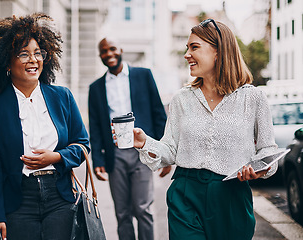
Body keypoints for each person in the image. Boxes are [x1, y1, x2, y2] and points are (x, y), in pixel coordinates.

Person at [132, 19, 279, 240]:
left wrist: (259, 169)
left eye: (194, 47)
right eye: (187, 48)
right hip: (185, 195)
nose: (187, 55)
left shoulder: (253, 98)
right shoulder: (182, 98)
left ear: (219, 51)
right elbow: (171, 150)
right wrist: (145, 143)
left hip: (232, 196)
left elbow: (268, 151)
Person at [0, 13, 89, 240]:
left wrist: (56, 157)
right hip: (17, 200)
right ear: (7, 60)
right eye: (23, 54)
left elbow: (83, 144)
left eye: (38, 53)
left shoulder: (62, 96)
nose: (33, 60)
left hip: (59, 197)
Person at [88, 37, 171, 240]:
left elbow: (159, 114)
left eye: (112, 49)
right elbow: (96, 126)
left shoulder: (143, 75)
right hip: (114, 156)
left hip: (142, 151)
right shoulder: (96, 87)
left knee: (143, 209)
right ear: (100, 55)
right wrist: (97, 160)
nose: (109, 54)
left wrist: (164, 153)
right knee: (122, 213)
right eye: (104, 51)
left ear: (121, 49)